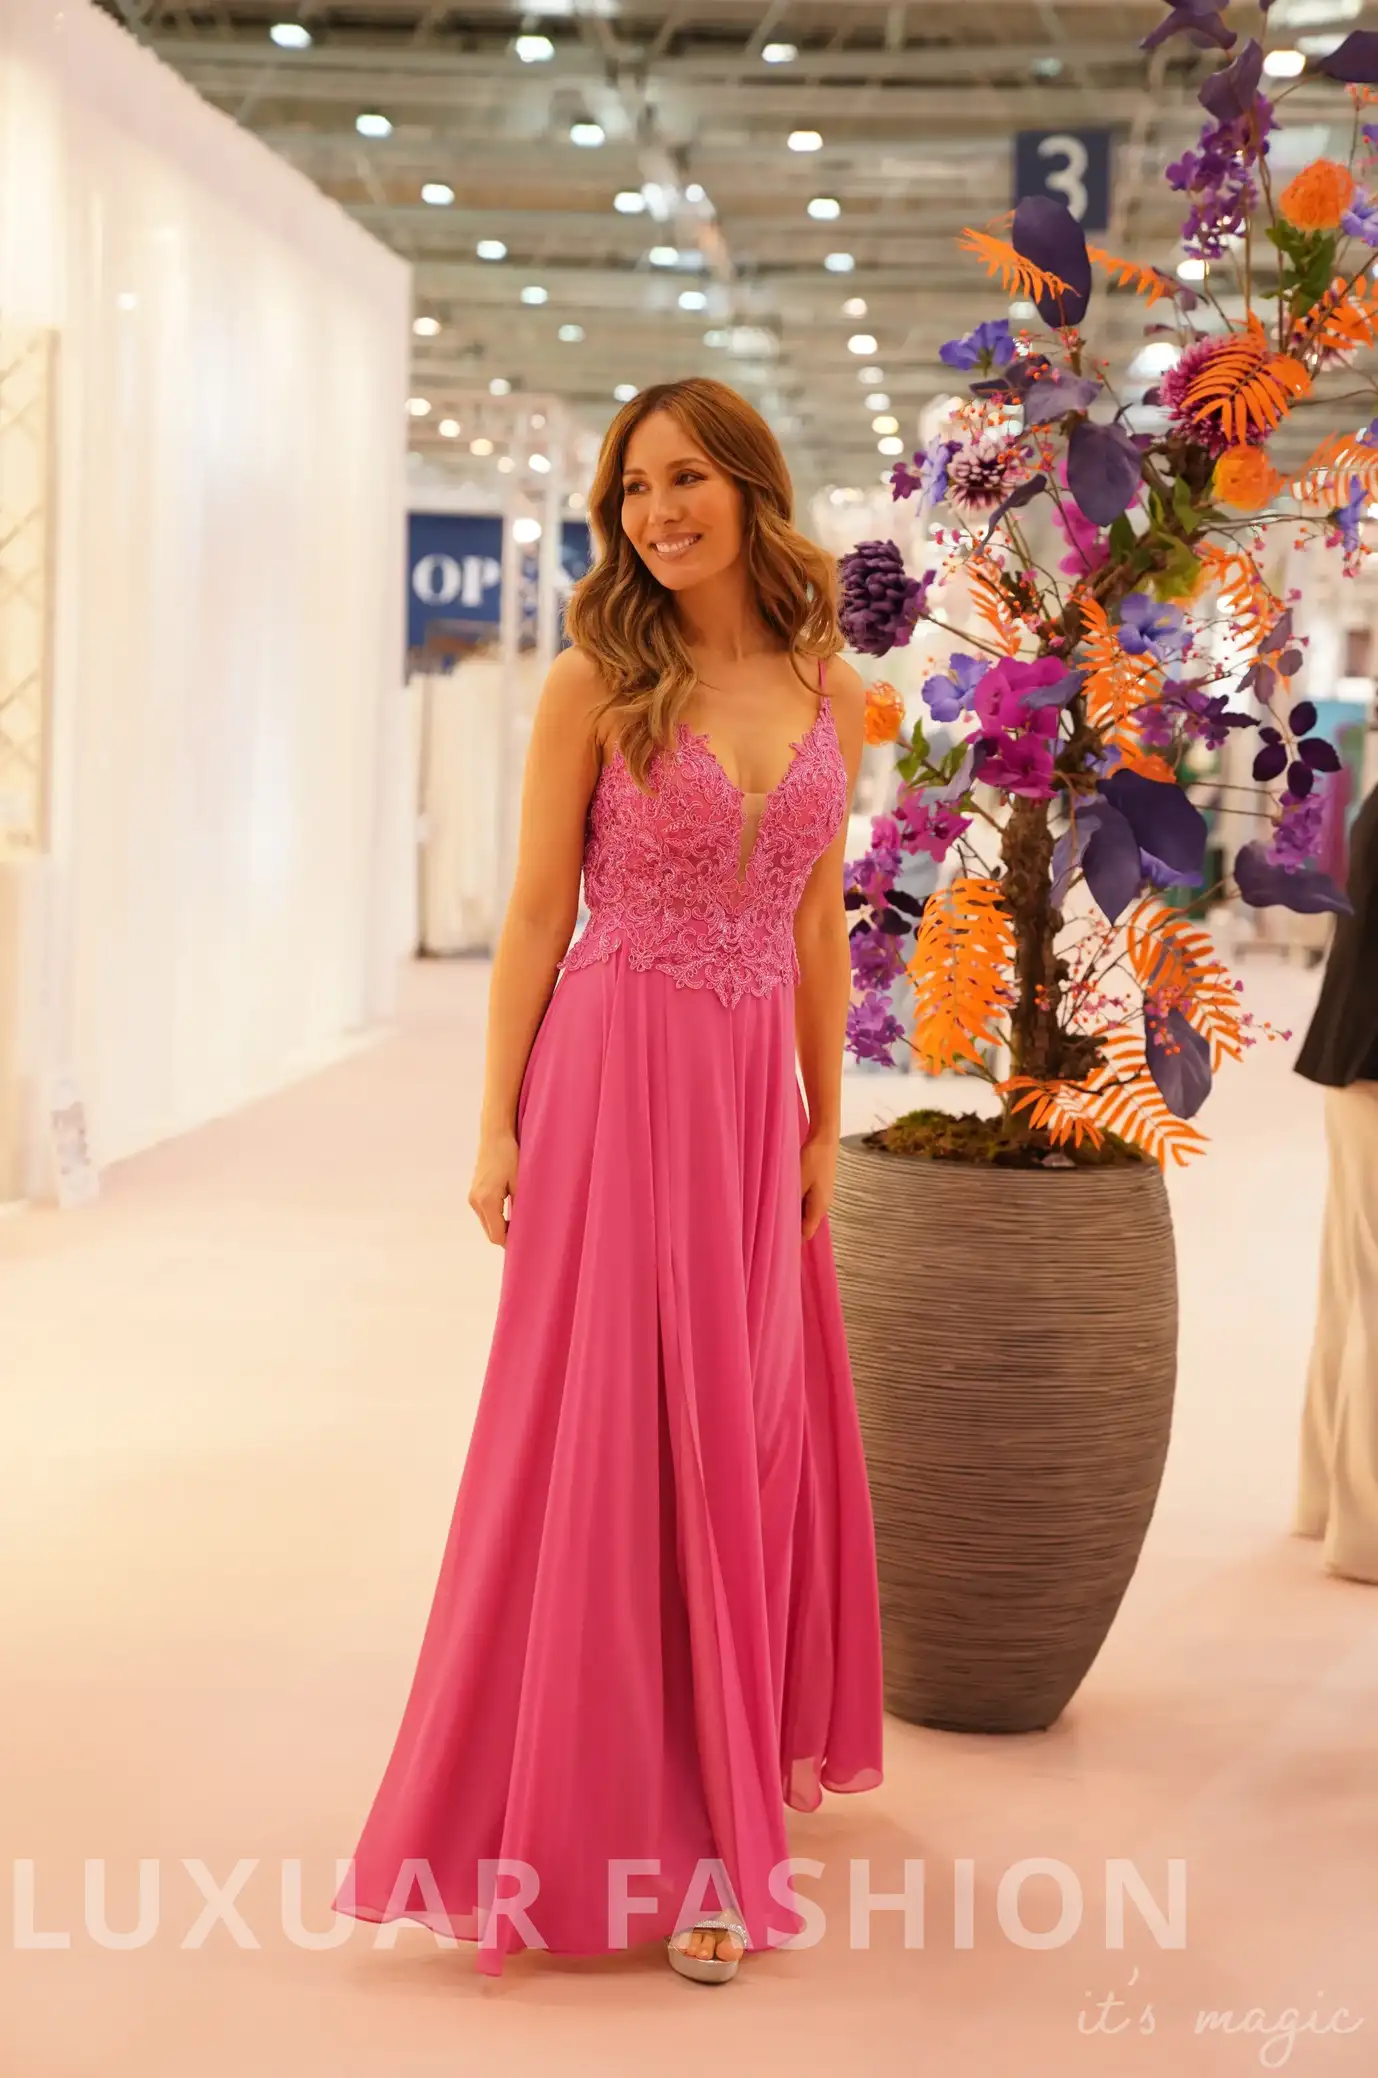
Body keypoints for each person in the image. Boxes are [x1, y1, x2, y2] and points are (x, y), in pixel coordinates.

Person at [334, 378, 886, 1982]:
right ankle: (685, 1835)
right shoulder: (594, 677)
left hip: (748, 1098)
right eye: (633, 489)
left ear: (751, 491)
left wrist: (822, 1114)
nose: (657, 512)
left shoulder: (830, 684)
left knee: (746, 1431)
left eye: (686, 478)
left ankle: (721, 1772)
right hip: (610, 1078)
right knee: (615, 1438)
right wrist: (495, 1123)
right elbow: (532, 912)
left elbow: (814, 917)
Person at [1293, 776, 1378, 1583]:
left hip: (1357, 1061)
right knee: (1365, 1295)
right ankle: (1366, 1533)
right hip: (1370, 1067)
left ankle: (1325, 1500)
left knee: (1353, 1289)